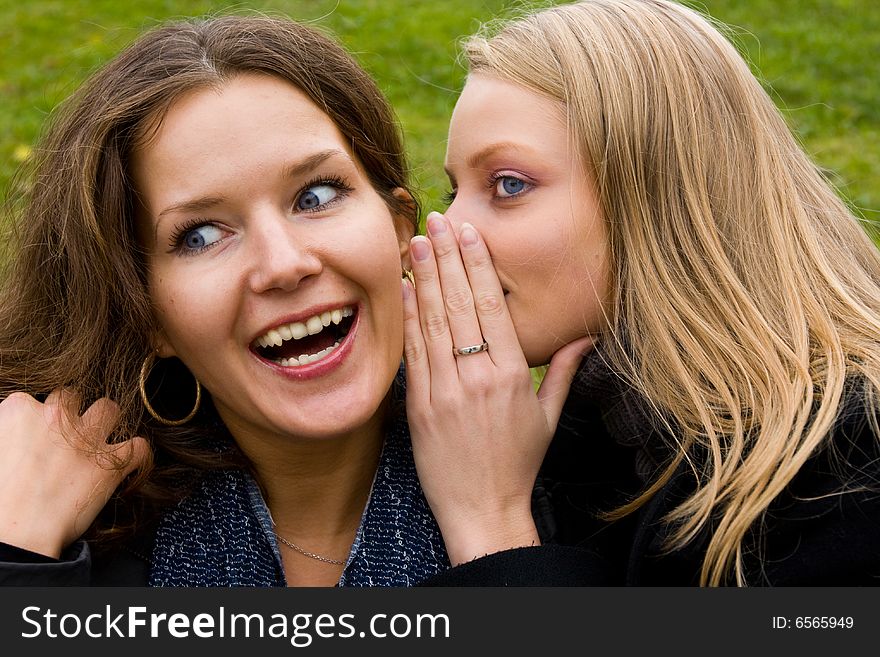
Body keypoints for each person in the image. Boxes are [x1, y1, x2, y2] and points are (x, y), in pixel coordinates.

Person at [404, 0, 880, 585]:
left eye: (508, 185)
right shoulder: (591, 430)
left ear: (654, 197)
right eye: (454, 190)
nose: (448, 228)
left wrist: (493, 526)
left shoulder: (853, 463)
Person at [0, 14, 451, 587]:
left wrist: (499, 540)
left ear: (398, 227)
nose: (284, 265)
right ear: (144, 311)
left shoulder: (560, 489)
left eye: (315, 196)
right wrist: (17, 554)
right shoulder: (47, 523)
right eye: (201, 235)